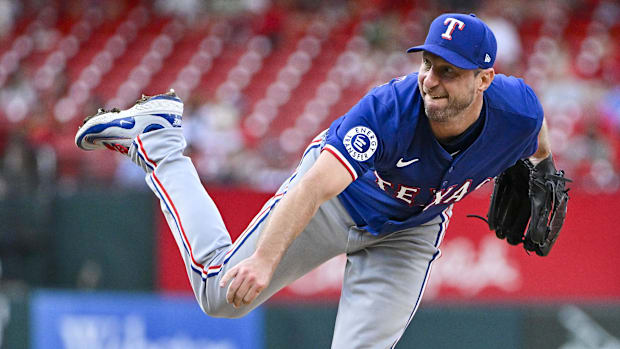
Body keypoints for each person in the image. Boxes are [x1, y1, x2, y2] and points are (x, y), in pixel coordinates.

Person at [75, 13, 555, 348]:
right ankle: (159, 142)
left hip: (409, 231)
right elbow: (316, 185)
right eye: (427, 63)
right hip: (339, 200)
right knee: (222, 297)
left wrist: (545, 170)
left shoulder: (516, 110)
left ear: (484, 80)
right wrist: (265, 260)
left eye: (448, 72)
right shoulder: (389, 110)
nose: (430, 79)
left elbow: (537, 135)